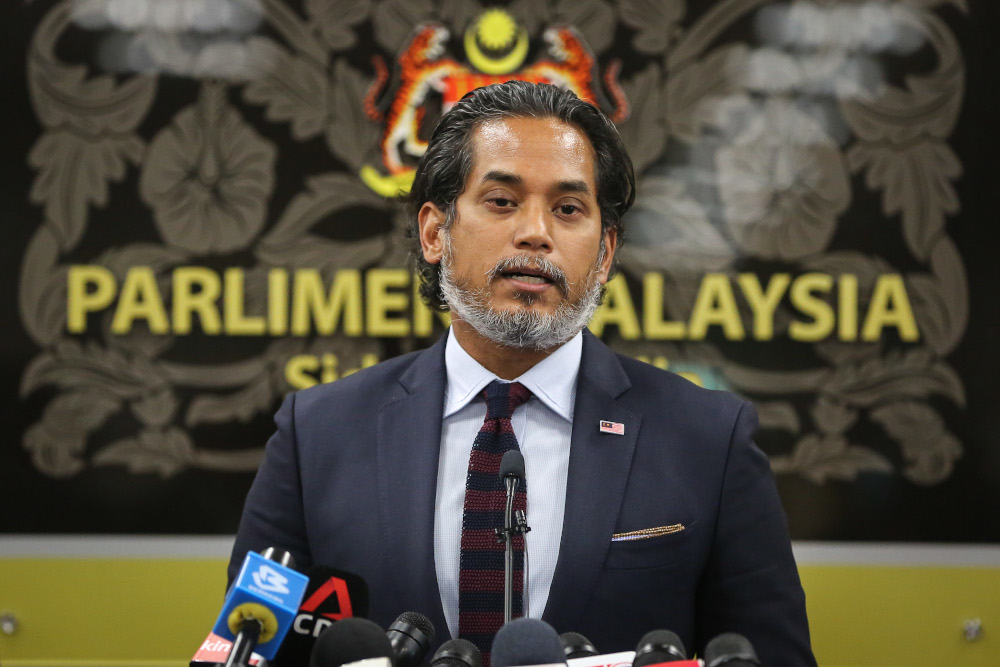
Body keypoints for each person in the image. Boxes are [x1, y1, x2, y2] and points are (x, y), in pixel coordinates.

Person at [229, 81, 815, 665]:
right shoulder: (318, 434)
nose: (536, 232)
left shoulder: (710, 440)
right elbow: (247, 648)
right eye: (502, 201)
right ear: (436, 232)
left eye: (568, 209)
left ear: (605, 253)